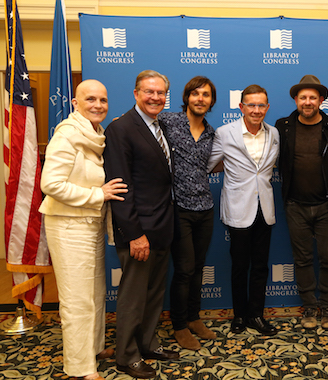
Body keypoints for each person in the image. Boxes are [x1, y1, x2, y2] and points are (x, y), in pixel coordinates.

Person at [40, 80, 128, 380]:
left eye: (103, 100)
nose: (98, 105)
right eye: (90, 99)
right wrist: (97, 195)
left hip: (89, 224)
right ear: (75, 103)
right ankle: (79, 368)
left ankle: (93, 348)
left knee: (93, 292)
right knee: (77, 299)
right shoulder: (66, 134)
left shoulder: (97, 134)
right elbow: (49, 184)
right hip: (66, 224)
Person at [104, 70, 179, 379]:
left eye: (161, 93)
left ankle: (147, 343)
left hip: (162, 226)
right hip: (138, 231)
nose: (155, 98)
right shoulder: (121, 128)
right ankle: (127, 355)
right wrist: (134, 234)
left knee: (153, 294)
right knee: (133, 298)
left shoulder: (159, 127)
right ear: (136, 93)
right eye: (149, 92)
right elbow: (121, 188)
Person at [207, 84, 280, 336]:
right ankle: (239, 315)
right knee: (239, 265)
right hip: (238, 208)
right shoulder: (225, 133)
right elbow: (208, 164)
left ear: (267, 108)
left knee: (260, 265)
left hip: (265, 208)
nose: (256, 110)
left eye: (261, 105)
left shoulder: (274, 134)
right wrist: (230, 170)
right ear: (241, 107)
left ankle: (256, 315)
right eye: (251, 105)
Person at [157, 76, 218, 350]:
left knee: (198, 268)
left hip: (205, 208)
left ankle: (194, 318)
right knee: (183, 270)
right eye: (195, 94)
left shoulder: (211, 132)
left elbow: (210, 165)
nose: (200, 99)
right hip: (178, 207)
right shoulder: (168, 122)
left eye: (205, 95)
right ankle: (179, 325)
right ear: (187, 98)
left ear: (211, 101)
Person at [276, 75, 328, 330]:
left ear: (321, 100)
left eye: (313, 97)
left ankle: (327, 306)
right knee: (302, 259)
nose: (308, 102)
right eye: (303, 97)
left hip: (327, 205)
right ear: (296, 100)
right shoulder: (284, 126)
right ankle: (309, 307)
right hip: (295, 205)